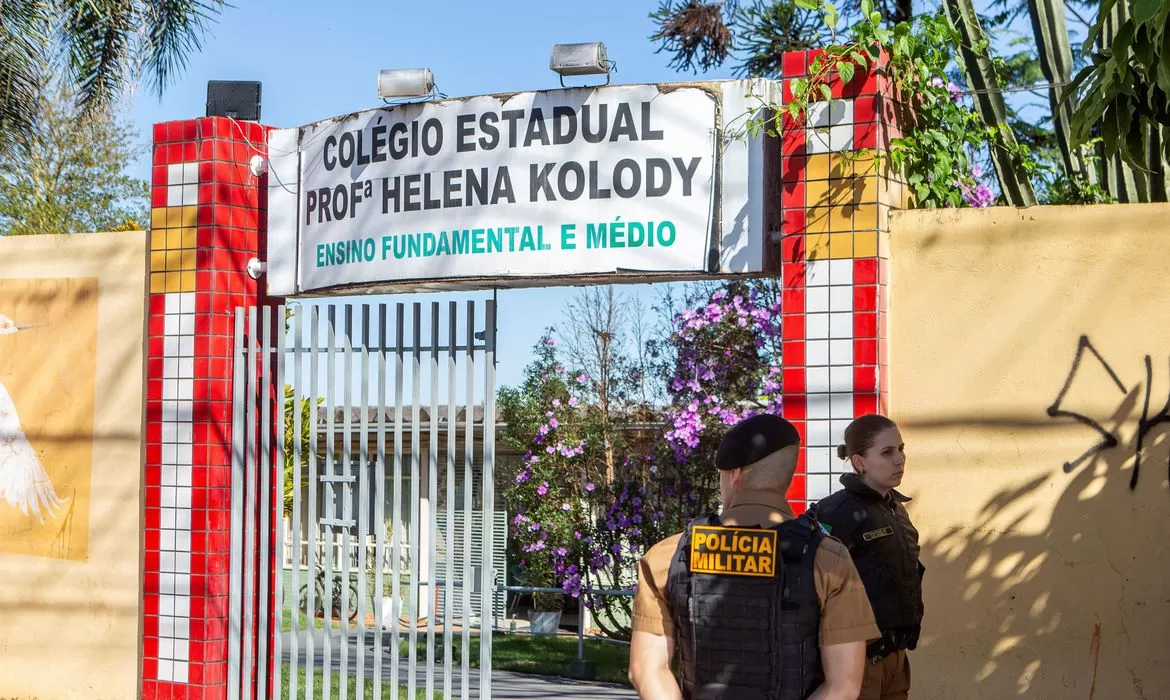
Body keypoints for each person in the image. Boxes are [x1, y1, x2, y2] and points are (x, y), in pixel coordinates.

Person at [629, 413, 880, 700]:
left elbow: (646, 671)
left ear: (734, 474)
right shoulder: (828, 558)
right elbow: (844, 686)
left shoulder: (669, 554)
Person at [810, 414, 924, 700]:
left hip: (895, 659)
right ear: (859, 462)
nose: (900, 459)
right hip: (857, 665)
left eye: (901, 449)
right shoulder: (837, 512)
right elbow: (812, 588)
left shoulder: (896, 509)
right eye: (887, 452)